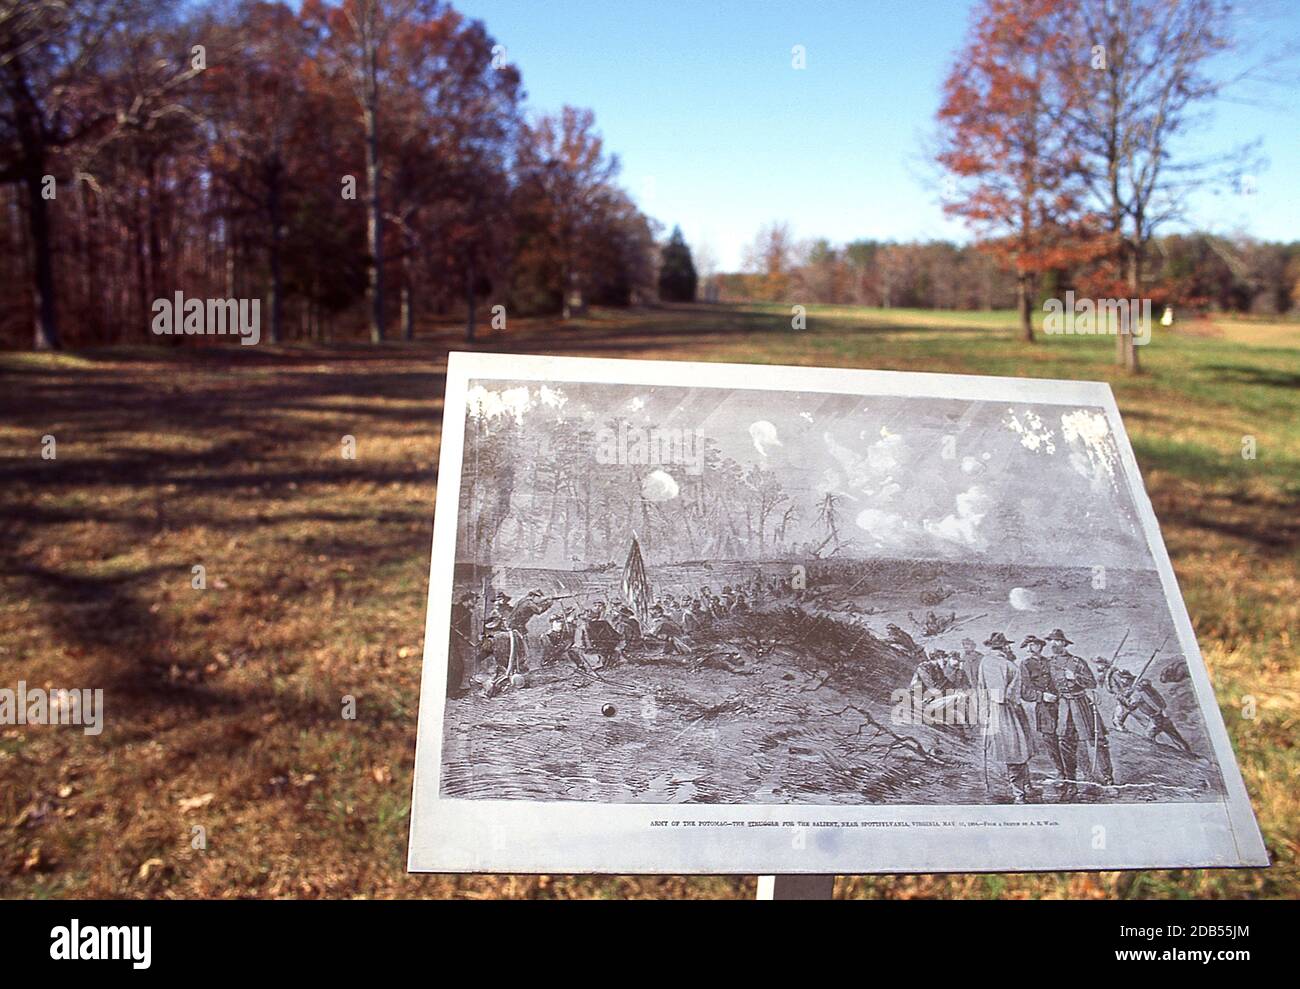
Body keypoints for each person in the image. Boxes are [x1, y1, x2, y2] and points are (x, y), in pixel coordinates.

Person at [1046, 629, 1115, 795]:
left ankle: (1108, 780)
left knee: (1097, 741)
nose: (1054, 644)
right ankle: (1071, 782)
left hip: (1080, 704)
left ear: (1064, 643)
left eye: (1057, 641)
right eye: (1051, 641)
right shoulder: (1049, 663)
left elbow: (1091, 683)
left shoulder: (1077, 662)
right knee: (1065, 743)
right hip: (1063, 706)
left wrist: (1075, 677)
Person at [978, 632, 1037, 803]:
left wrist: (984, 712)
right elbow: (1009, 695)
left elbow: (981, 689)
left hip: (992, 710)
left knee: (1016, 749)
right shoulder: (1010, 665)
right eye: (1008, 646)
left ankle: (1025, 786)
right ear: (1005, 647)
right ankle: (1020, 793)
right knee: (1016, 750)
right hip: (1009, 711)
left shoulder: (984, 662)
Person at [1098, 656, 1192, 754]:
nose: (1123, 681)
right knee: (1175, 737)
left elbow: (1131, 705)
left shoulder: (1138, 692)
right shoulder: (1139, 689)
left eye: (1125, 679)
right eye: (1122, 679)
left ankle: (1165, 754)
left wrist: (1128, 696)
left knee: (1149, 736)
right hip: (1161, 717)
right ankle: (1186, 751)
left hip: (1156, 719)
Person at [1019, 634, 1067, 783]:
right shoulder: (1025, 664)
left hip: (1062, 704)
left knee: (1067, 737)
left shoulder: (1050, 662)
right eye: (1027, 645)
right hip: (1044, 707)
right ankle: (1060, 771)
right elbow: (1025, 692)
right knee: (1049, 738)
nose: (1029, 648)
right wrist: (1042, 696)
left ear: (1039, 646)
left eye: (1032, 644)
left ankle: (1070, 770)